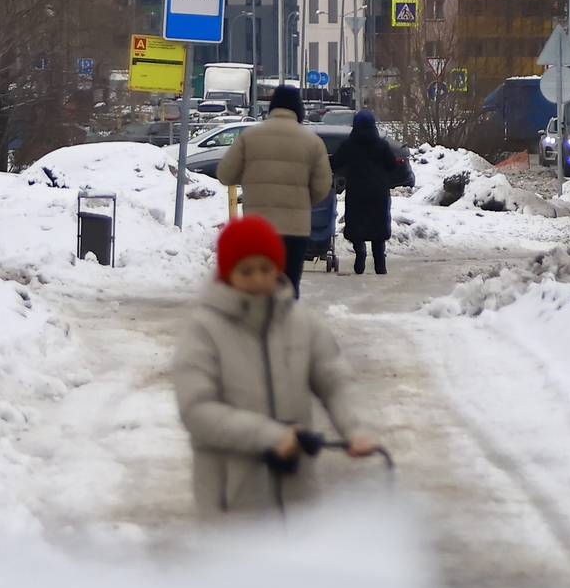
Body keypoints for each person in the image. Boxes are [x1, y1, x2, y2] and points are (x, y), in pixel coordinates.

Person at [174, 215, 378, 517]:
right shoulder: (204, 331)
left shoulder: (301, 322)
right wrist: (270, 436)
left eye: (265, 269)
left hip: (298, 499)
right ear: (228, 272)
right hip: (231, 505)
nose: (257, 279)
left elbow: (334, 380)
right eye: (246, 271)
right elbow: (197, 410)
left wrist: (355, 427)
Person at [219, 86, 333, 295]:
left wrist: (249, 180)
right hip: (295, 229)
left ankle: (257, 326)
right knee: (288, 289)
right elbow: (322, 187)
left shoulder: (249, 136)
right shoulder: (313, 142)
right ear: (299, 108)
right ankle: (285, 325)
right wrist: (302, 202)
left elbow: (225, 174)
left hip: (258, 229)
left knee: (256, 288)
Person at [331, 110, 410, 275]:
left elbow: (336, 162)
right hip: (378, 193)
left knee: (357, 225)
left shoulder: (349, 145)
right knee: (378, 228)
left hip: (356, 192)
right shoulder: (381, 145)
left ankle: (360, 255)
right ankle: (380, 264)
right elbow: (391, 166)